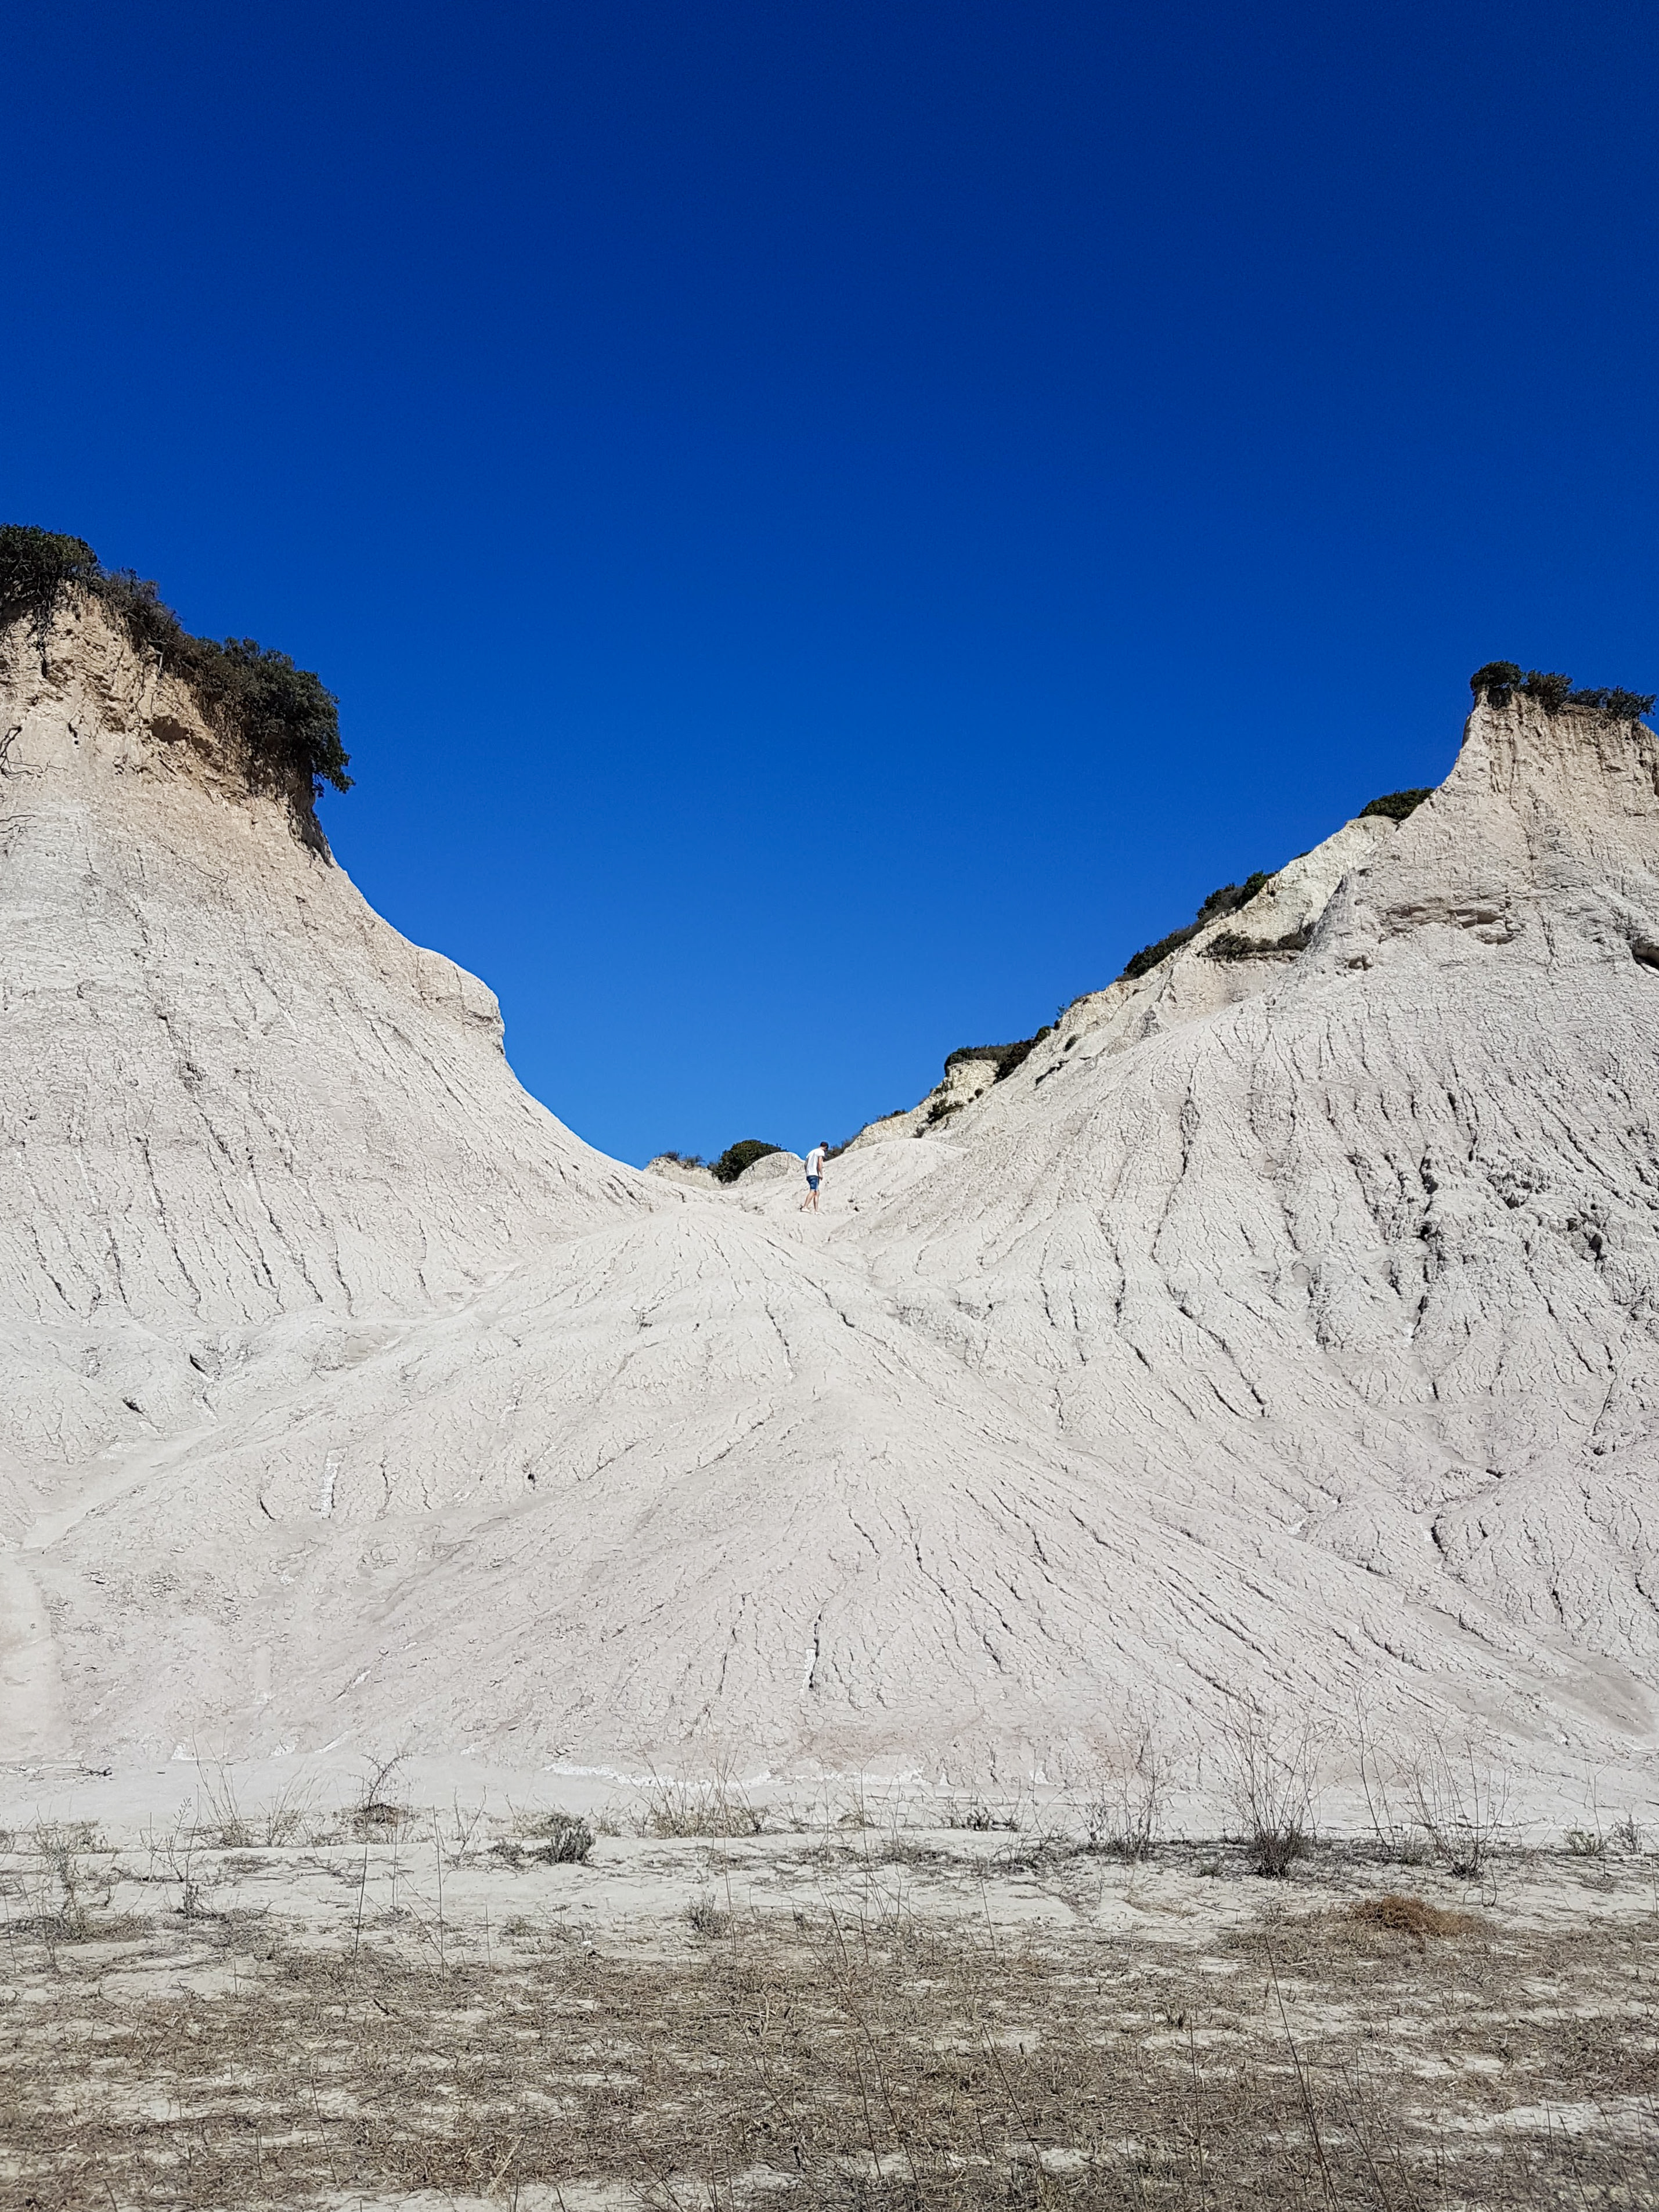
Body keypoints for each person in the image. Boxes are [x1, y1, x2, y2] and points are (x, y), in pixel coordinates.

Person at [800, 1139, 828, 1212]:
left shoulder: (811, 1152)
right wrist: (821, 1174)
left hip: (809, 1174)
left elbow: (805, 1164)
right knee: (813, 1191)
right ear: (825, 1148)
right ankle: (805, 1207)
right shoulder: (821, 1152)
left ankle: (816, 1210)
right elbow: (820, 1163)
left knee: (817, 1192)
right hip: (814, 1174)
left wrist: (807, 1172)